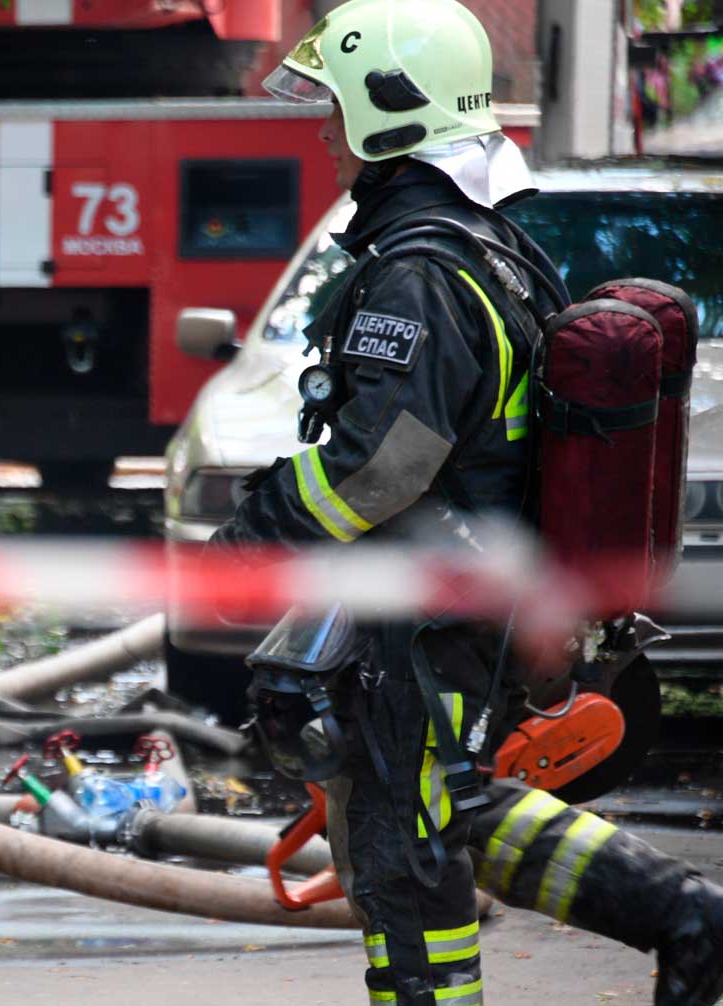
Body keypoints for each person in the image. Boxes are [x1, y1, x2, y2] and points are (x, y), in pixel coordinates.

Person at [213, 1, 723, 1004]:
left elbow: (381, 467)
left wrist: (255, 535)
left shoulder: (420, 273)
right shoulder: (486, 244)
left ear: (388, 114)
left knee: (406, 852)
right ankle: (683, 913)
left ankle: (672, 917)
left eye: (335, 104)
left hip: (432, 607)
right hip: (463, 592)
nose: (321, 127)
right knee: (448, 807)